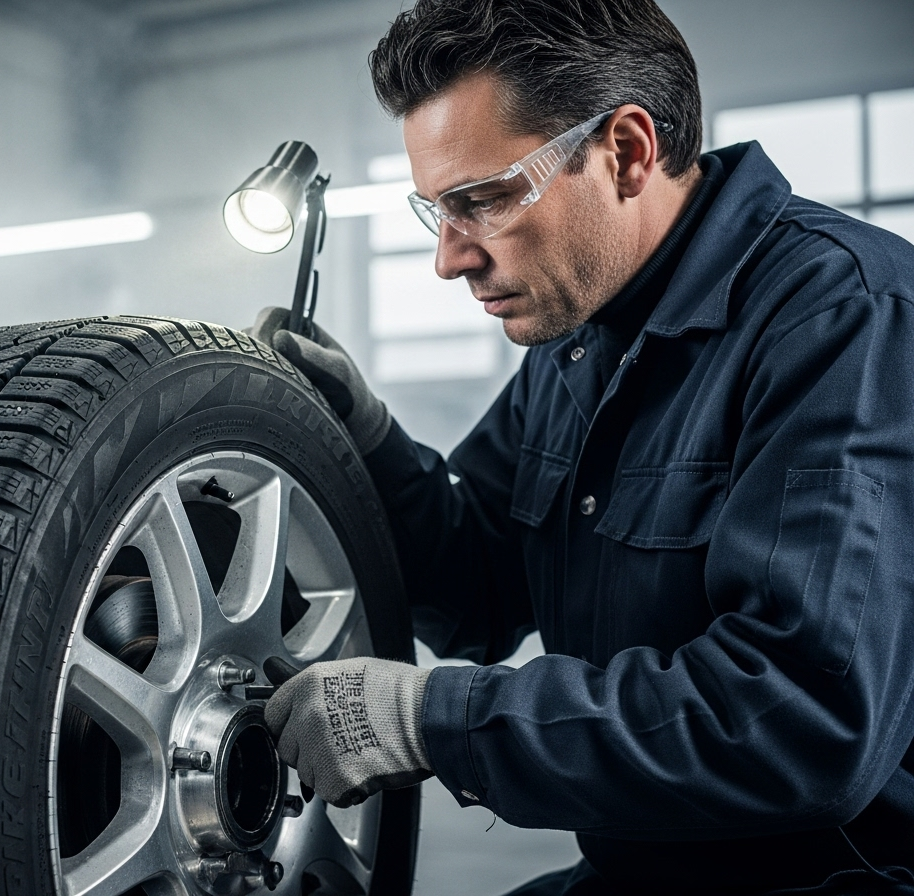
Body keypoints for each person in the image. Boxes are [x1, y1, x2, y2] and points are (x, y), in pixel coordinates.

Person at [252, 0, 914, 893]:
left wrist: (430, 720)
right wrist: (363, 433)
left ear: (628, 153)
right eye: (434, 211)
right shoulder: (582, 342)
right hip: (638, 869)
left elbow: (799, 718)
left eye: (479, 201)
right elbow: (478, 591)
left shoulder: (844, 322)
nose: (449, 259)